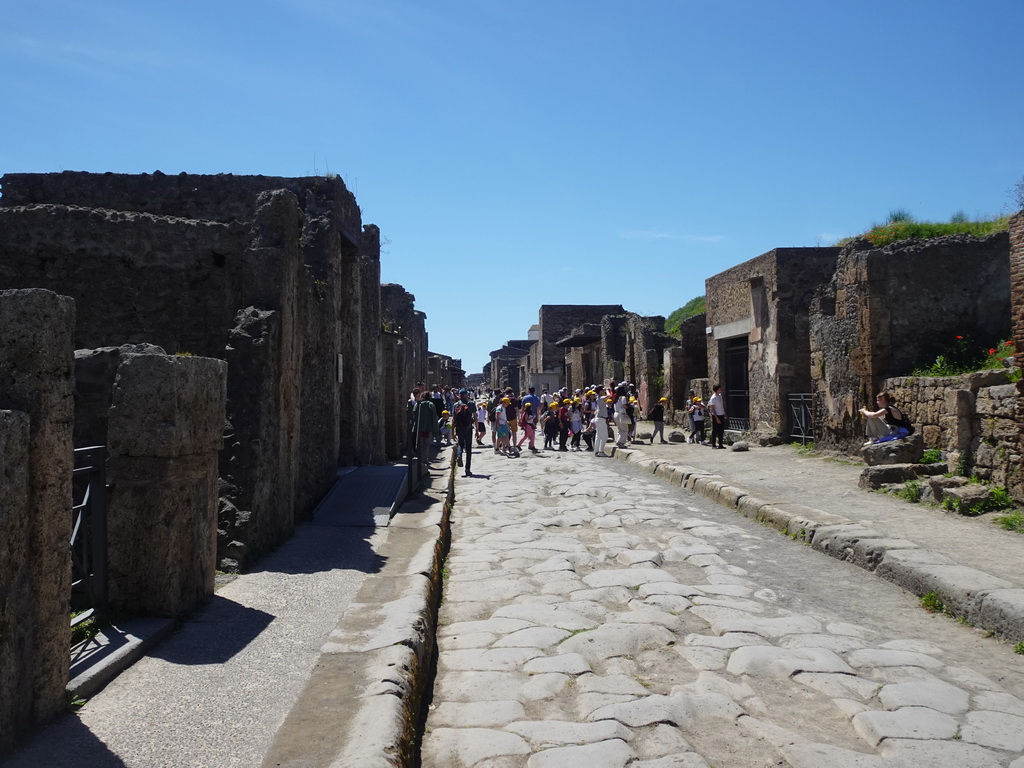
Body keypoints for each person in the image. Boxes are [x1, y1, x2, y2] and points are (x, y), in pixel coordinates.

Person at [411, 390, 439, 473]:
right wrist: (436, 430)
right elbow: (434, 418)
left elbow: (413, 415)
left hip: (418, 428)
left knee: (419, 444)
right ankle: (424, 461)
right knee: (426, 445)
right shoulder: (431, 405)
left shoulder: (417, 404)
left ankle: (420, 460)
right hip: (427, 428)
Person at [452, 389, 476, 477]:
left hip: (459, 428)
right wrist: (477, 430)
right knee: (469, 448)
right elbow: (475, 417)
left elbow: (454, 419)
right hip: (468, 428)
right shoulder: (471, 404)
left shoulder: (456, 405)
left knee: (461, 444)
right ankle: (467, 469)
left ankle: (459, 455)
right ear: (466, 395)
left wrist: (453, 432)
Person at [707, 384, 726, 449]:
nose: (721, 389)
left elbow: (721, 406)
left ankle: (720, 444)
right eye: (720, 388)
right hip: (716, 415)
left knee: (721, 430)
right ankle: (713, 444)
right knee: (715, 430)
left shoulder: (720, 396)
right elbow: (712, 409)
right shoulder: (713, 398)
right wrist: (716, 418)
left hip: (721, 414)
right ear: (717, 390)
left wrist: (724, 414)